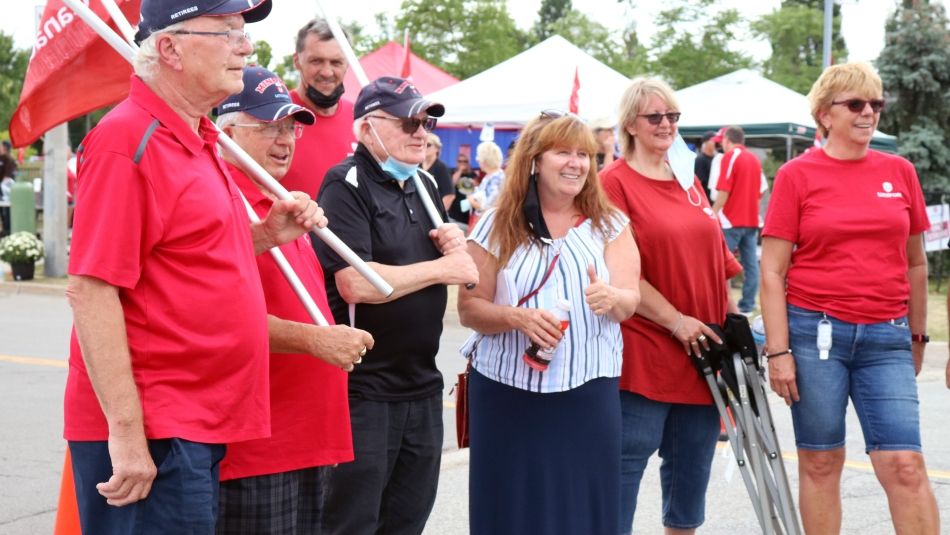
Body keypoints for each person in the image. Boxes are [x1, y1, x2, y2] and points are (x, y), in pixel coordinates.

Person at [63, 1, 328, 532]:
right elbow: (91, 289)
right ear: (169, 48)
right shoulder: (127, 140)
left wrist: (265, 235)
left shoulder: (197, 138)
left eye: (242, 32)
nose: (246, 46)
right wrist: (128, 434)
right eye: (227, 31)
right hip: (158, 431)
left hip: (192, 424)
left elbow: (180, 257)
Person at [761, 62, 939, 535]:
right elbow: (772, 270)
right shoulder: (797, 176)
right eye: (856, 104)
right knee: (821, 463)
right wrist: (778, 351)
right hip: (813, 335)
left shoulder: (899, 171)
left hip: (887, 336)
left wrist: (917, 335)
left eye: (876, 103)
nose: (869, 113)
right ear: (824, 115)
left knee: (904, 464)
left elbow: (916, 262)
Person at [458, 112, 639, 535]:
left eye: (584, 154)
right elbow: (469, 309)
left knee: (583, 509)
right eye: (563, 152)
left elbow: (630, 299)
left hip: (587, 393)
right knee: (511, 509)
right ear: (535, 161)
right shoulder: (495, 226)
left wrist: (613, 298)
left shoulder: (610, 225)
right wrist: (515, 317)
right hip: (507, 395)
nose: (576, 163)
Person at [313, 76, 478, 535]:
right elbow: (356, 284)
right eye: (408, 122)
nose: (420, 132)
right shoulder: (345, 182)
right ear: (368, 129)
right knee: (354, 523)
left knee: (407, 522)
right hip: (366, 390)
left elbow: (461, 267)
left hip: (422, 386)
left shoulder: (424, 182)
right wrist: (444, 269)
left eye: (424, 122)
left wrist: (454, 244)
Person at [213, 66, 374, 534]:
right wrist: (315, 341)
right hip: (259, 444)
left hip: (304, 436)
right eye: (268, 127)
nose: (284, 140)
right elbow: (217, 317)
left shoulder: (277, 198)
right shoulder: (224, 201)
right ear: (224, 132)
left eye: (290, 127)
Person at [600, 77, 742, 535]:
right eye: (655, 117)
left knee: (690, 480)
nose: (666, 125)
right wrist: (677, 321)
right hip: (646, 349)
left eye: (673, 117)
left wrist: (733, 327)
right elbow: (620, 272)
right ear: (630, 125)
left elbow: (720, 263)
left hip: (703, 350)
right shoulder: (612, 184)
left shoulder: (689, 182)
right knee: (622, 472)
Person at [281, 18, 356, 198]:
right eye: (316, 61)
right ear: (297, 61)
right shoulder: (274, 115)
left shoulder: (363, 120)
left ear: (348, 63)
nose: (326, 72)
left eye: (336, 62)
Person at [711, 125, 762, 314]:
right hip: (751, 219)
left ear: (726, 140)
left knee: (720, 264)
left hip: (731, 220)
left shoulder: (730, 157)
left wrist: (712, 213)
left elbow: (724, 190)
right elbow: (761, 189)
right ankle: (748, 305)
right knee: (750, 264)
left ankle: (722, 304)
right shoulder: (755, 159)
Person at [466, 140, 504, 227]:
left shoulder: (497, 178)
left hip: (489, 225)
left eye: (479, 156)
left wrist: (471, 200)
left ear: (485, 159)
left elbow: (488, 207)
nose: (477, 159)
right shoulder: (490, 176)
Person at [447, 151, 478, 228]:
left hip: (468, 213)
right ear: (456, 162)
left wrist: (475, 184)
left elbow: (478, 191)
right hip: (455, 212)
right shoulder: (452, 172)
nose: (462, 163)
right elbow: (451, 184)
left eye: (465, 161)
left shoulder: (473, 174)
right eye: (460, 161)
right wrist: (460, 170)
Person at [423, 132, 454, 210]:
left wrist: (439, 214)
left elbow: (449, 195)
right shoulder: (416, 166)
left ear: (437, 148)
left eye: (428, 145)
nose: (424, 147)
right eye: (422, 144)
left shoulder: (441, 168)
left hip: (434, 212)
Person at [693, 130, 716, 198]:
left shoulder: (716, 158)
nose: (716, 143)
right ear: (706, 142)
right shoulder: (700, 160)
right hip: (706, 200)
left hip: (713, 199)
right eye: (714, 140)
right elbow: (698, 183)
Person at [0, 140, 16, 236]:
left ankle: (7, 229)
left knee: (6, 208)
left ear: (5, 148)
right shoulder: (1, 158)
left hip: (6, 188)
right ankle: (4, 228)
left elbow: (8, 176)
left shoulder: (9, 159)